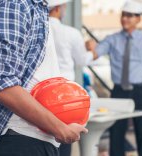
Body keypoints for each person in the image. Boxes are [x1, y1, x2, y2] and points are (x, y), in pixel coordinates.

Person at [0, 0, 87, 156]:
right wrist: (60, 128)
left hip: (31, 139)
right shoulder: (16, 5)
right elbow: (2, 84)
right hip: (19, 141)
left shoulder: (35, 8)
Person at [86, 1, 142, 156]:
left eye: (130, 16)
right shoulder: (112, 39)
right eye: (124, 15)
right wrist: (89, 45)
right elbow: (96, 52)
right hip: (119, 92)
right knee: (116, 133)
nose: (125, 18)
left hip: (141, 91)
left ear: (138, 19)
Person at [47, 0, 94, 155]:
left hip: (44, 94)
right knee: (65, 138)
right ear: (59, 9)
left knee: (45, 137)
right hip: (66, 96)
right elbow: (81, 61)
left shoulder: (38, 29)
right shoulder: (71, 33)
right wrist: (93, 52)